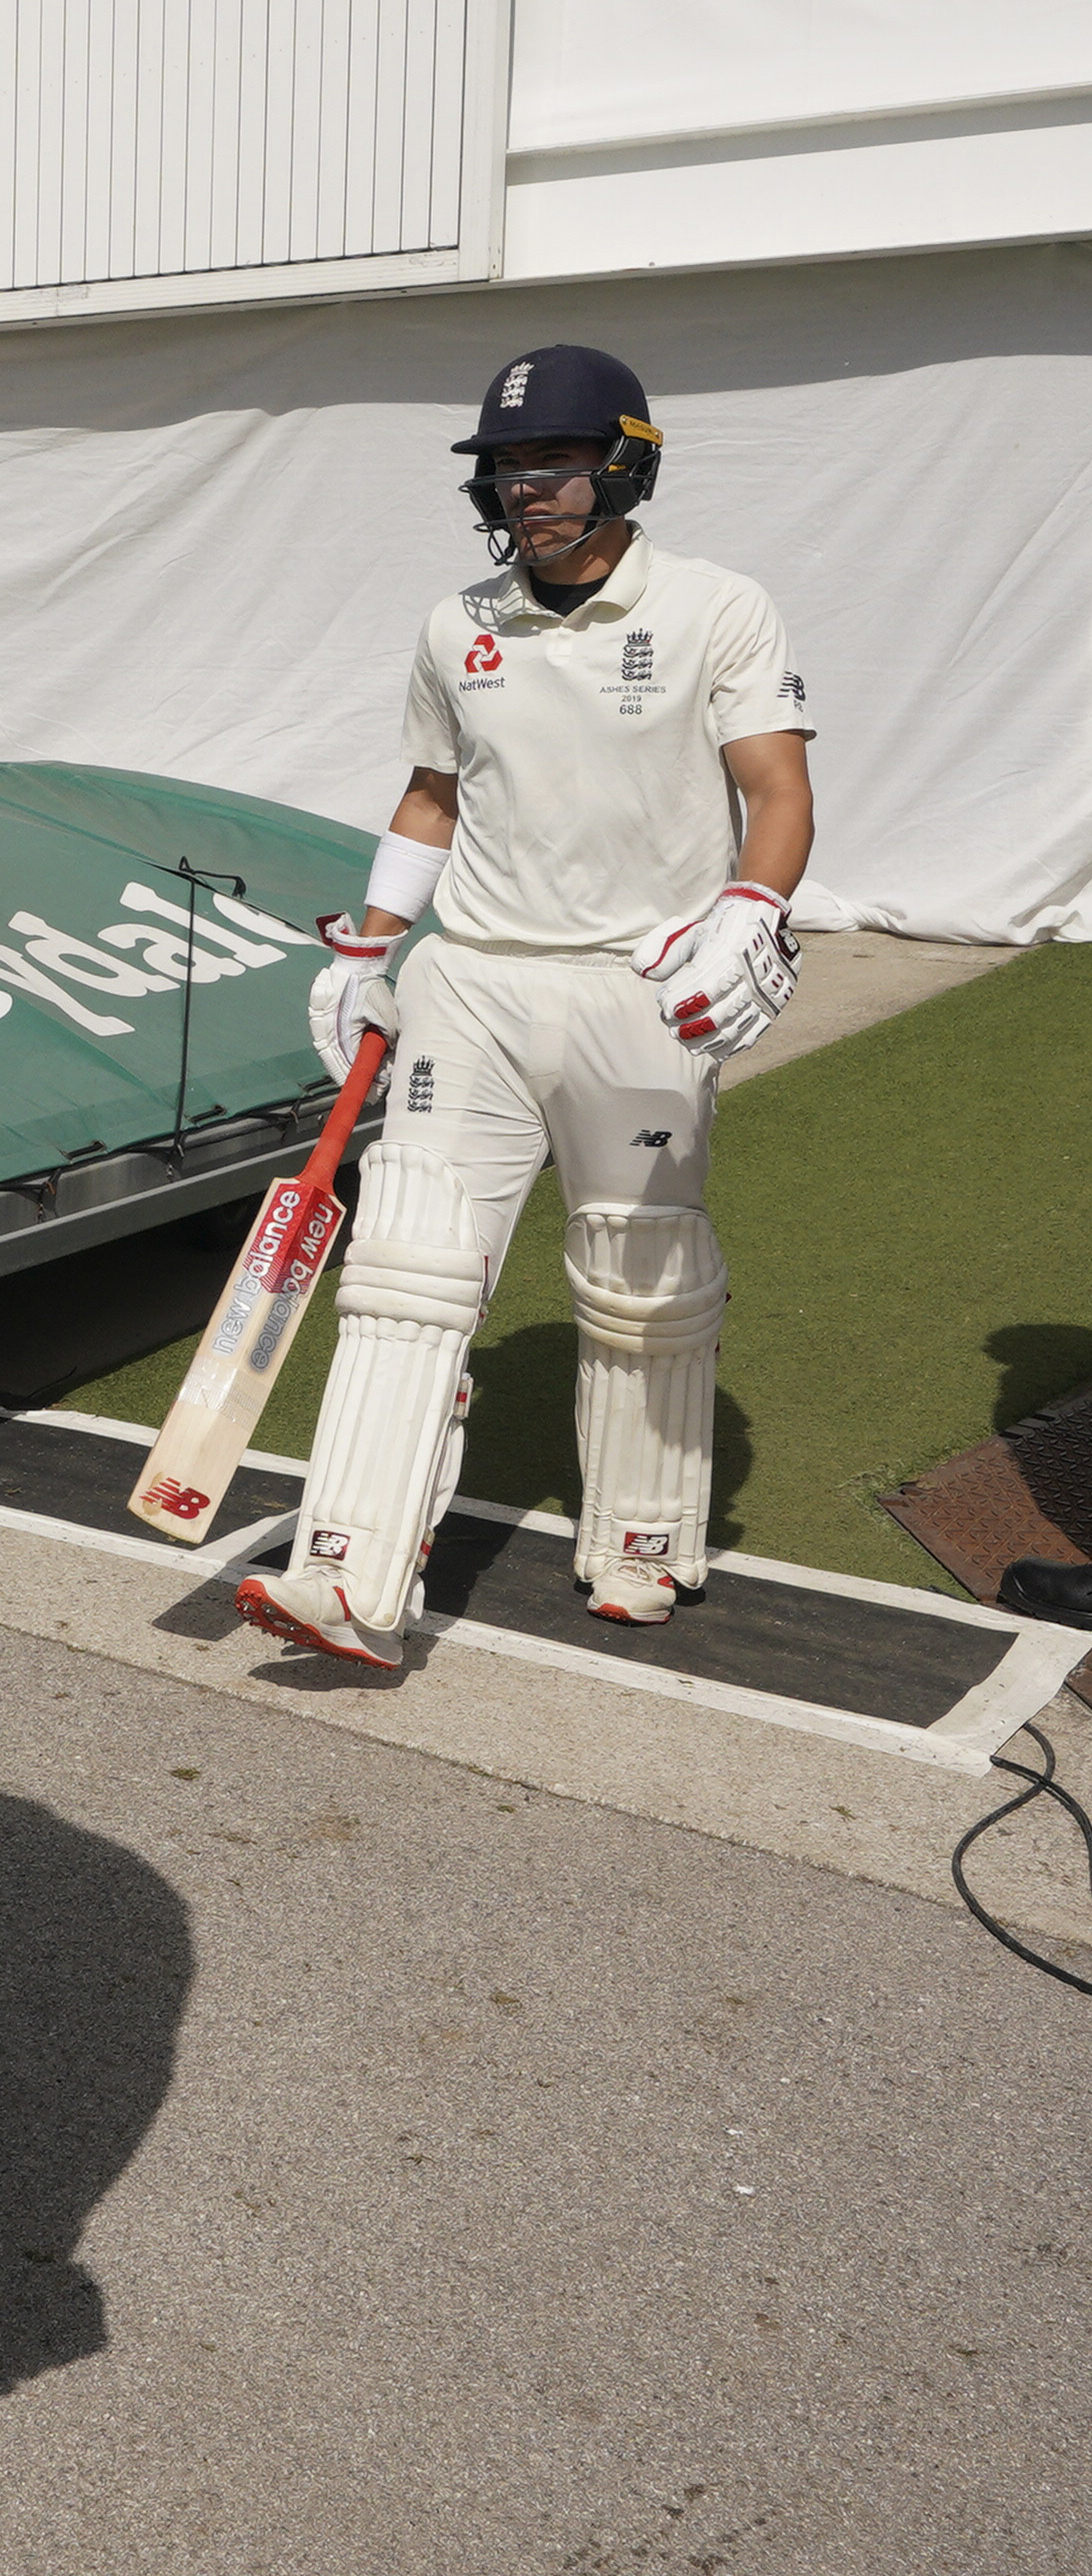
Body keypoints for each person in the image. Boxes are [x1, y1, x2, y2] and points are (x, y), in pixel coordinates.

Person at [237, 346, 817, 1665]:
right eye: (504, 468)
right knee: (407, 1264)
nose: (522, 490)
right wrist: (368, 947)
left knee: (639, 1271)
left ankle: (644, 1544)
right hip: (476, 984)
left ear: (623, 462)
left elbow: (776, 790)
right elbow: (434, 794)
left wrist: (750, 910)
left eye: (548, 464)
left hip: (640, 988)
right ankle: (353, 1575)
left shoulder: (720, 608)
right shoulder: (461, 623)